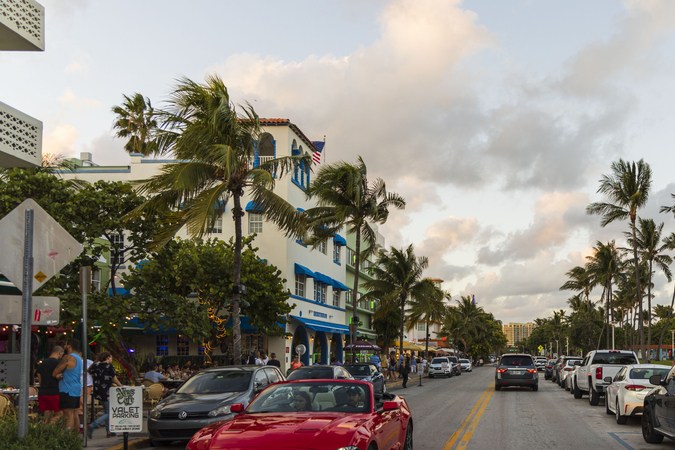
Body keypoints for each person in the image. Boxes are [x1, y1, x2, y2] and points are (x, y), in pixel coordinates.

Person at [87, 352, 122, 439]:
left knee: (107, 411)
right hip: (105, 391)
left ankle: (109, 432)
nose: (111, 359)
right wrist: (121, 386)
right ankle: (93, 425)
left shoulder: (95, 365)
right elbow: (114, 378)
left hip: (97, 391)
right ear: (107, 358)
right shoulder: (109, 366)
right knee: (110, 412)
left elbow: (89, 371)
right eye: (111, 357)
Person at [53, 339, 83, 433]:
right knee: (75, 413)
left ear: (69, 346)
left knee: (68, 415)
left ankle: (68, 437)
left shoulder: (68, 358)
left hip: (67, 390)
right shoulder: (78, 358)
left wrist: (57, 375)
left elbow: (55, 372)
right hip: (76, 389)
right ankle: (76, 436)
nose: (64, 346)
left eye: (66, 345)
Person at [36, 345, 64, 423]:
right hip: (54, 391)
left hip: (43, 392)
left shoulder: (42, 363)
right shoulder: (58, 364)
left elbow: (39, 378)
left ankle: (44, 430)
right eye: (61, 355)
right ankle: (50, 427)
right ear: (59, 353)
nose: (61, 357)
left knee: (47, 413)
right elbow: (60, 377)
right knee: (59, 414)